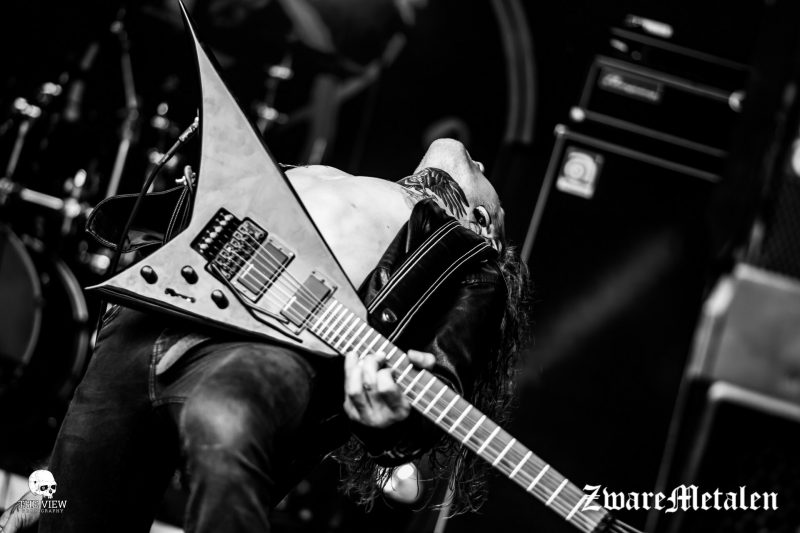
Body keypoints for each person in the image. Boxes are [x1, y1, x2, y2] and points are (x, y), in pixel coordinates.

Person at [0, 138, 529, 533]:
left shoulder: (470, 261)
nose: (481, 163)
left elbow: (442, 386)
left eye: (489, 181)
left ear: (482, 219)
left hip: (256, 356)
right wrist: (55, 482)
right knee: (67, 507)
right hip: (144, 327)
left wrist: (391, 426)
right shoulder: (324, 175)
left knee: (224, 423)